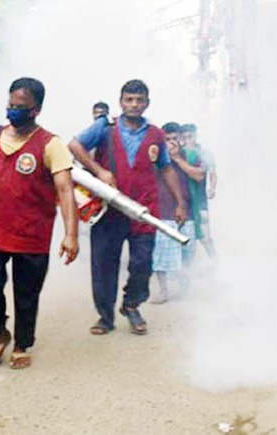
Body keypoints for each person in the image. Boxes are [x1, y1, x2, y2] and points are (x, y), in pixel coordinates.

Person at [0, 77, 79, 370]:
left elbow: (65, 190)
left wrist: (71, 235)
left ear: (35, 110)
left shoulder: (51, 145)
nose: (12, 112)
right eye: (10, 105)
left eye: (20, 107)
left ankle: (23, 343)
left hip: (31, 232)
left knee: (26, 294)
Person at [68, 79, 186, 335]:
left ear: (147, 103)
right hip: (108, 209)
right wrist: (99, 171)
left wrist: (180, 202)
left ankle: (132, 304)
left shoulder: (155, 134)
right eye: (129, 100)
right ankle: (105, 317)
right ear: (121, 102)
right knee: (104, 265)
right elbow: (74, 145)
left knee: (143, 263)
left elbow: (165, 168)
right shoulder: (105, 127)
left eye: (139, 100)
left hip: (145, 209)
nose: (134, 104)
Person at [150, 122, 196, 304]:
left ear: (181, 140)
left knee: (188, 254)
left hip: (188, 213)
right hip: (163, 213)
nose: (171, 143)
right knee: (161, 256)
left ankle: (185, 288)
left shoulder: (189, 156)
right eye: (167, 139)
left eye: (174, 139)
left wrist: (176, 158)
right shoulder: (155, 158)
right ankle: (163, 291)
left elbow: (199, 175)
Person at [179, 123, 216, 258]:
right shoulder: (178, 153)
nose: (188, 140)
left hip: (200, 199)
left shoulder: (204, 153)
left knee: (205, 234)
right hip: (184, 199)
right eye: (185, 137)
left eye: (190, 136)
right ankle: (186, 266)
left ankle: (214, 261)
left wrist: (212, 188)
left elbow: (212, 172)